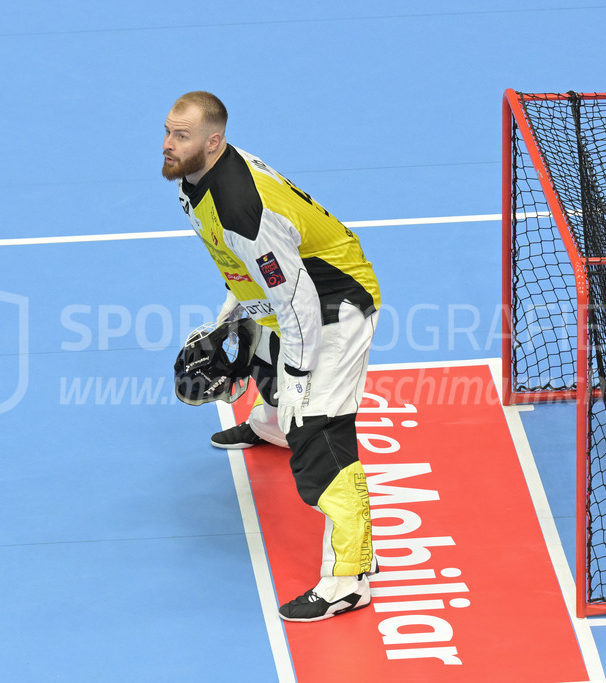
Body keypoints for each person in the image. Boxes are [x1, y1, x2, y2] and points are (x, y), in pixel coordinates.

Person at [162, 91, 382, 622]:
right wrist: (230, 315)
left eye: (182, 136)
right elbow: (247, 268)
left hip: (334, 303)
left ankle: (349, 580)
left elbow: (297, 300)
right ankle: (272, 427)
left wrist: (301, 378)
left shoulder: (241, 207)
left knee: (317, 427)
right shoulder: (197, 180)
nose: (168, 144)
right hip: (287, 292)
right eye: (168, 132)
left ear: (213, 142)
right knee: (259, 355)